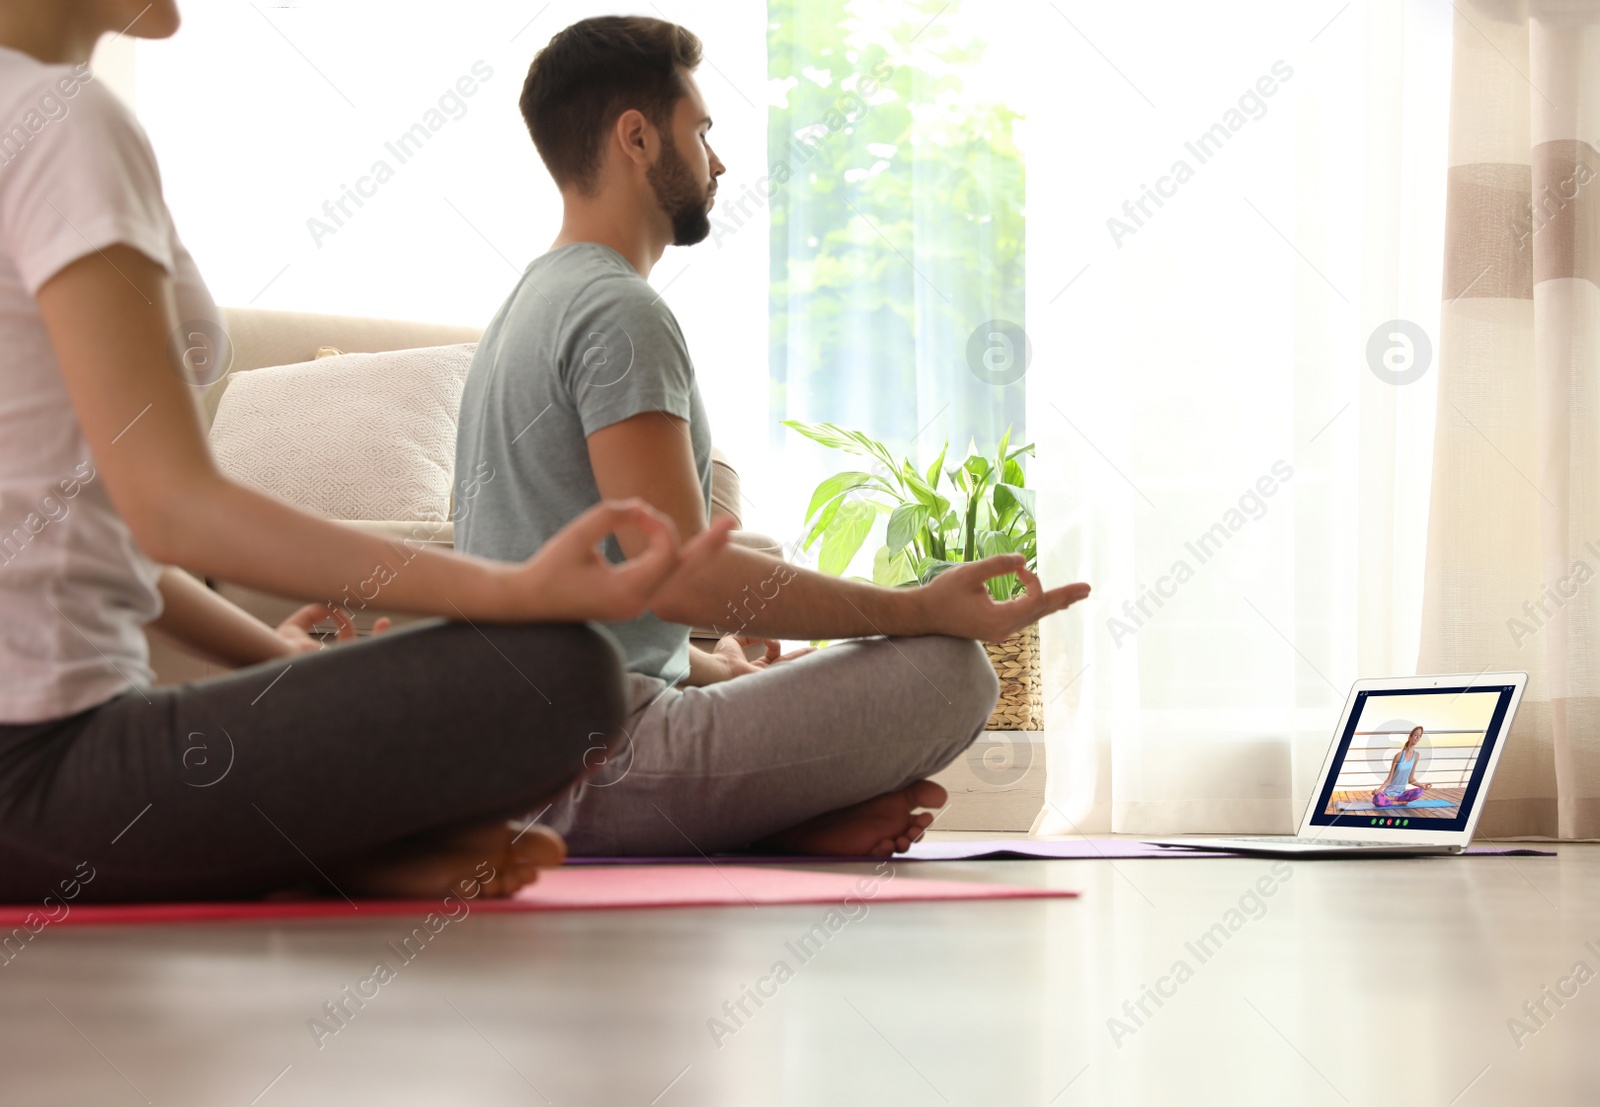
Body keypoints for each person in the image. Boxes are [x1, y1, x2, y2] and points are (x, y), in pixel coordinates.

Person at [0, 0, 730, 904]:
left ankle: (344, 851)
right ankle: (337, 854)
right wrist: (514, 590)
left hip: (44, 755)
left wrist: (287, 667)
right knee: (567, 674)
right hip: (42, 770)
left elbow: (102, 541)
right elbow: (173, 509)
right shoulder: (66, 124)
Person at [455, 16, 1092, 859]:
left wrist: (726, 673)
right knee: (952, 669)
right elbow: (684, 577)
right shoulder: (618, 310)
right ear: (638, 138)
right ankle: (769, 826)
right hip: (592, 766)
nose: (718, 162)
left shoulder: (523, 310)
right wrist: (915, 609)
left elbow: (611, 604)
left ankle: (785, 823)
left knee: (808, 668)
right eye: (703, 130)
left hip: (514, 759)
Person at [1372, 727, 1427, 807]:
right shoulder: (1398, 756)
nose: (1418, 737)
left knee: (1419, 792)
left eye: (1419, 736)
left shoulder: (1416, 756)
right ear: (1410, 737)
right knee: (1376, 800)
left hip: (1401, 794)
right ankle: (1397, 802)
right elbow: (1389, 779)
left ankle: (1391, 799)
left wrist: (1423, 786)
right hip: (1388, 792)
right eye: (1416, 735)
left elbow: (1410, 779)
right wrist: (1379, 790)